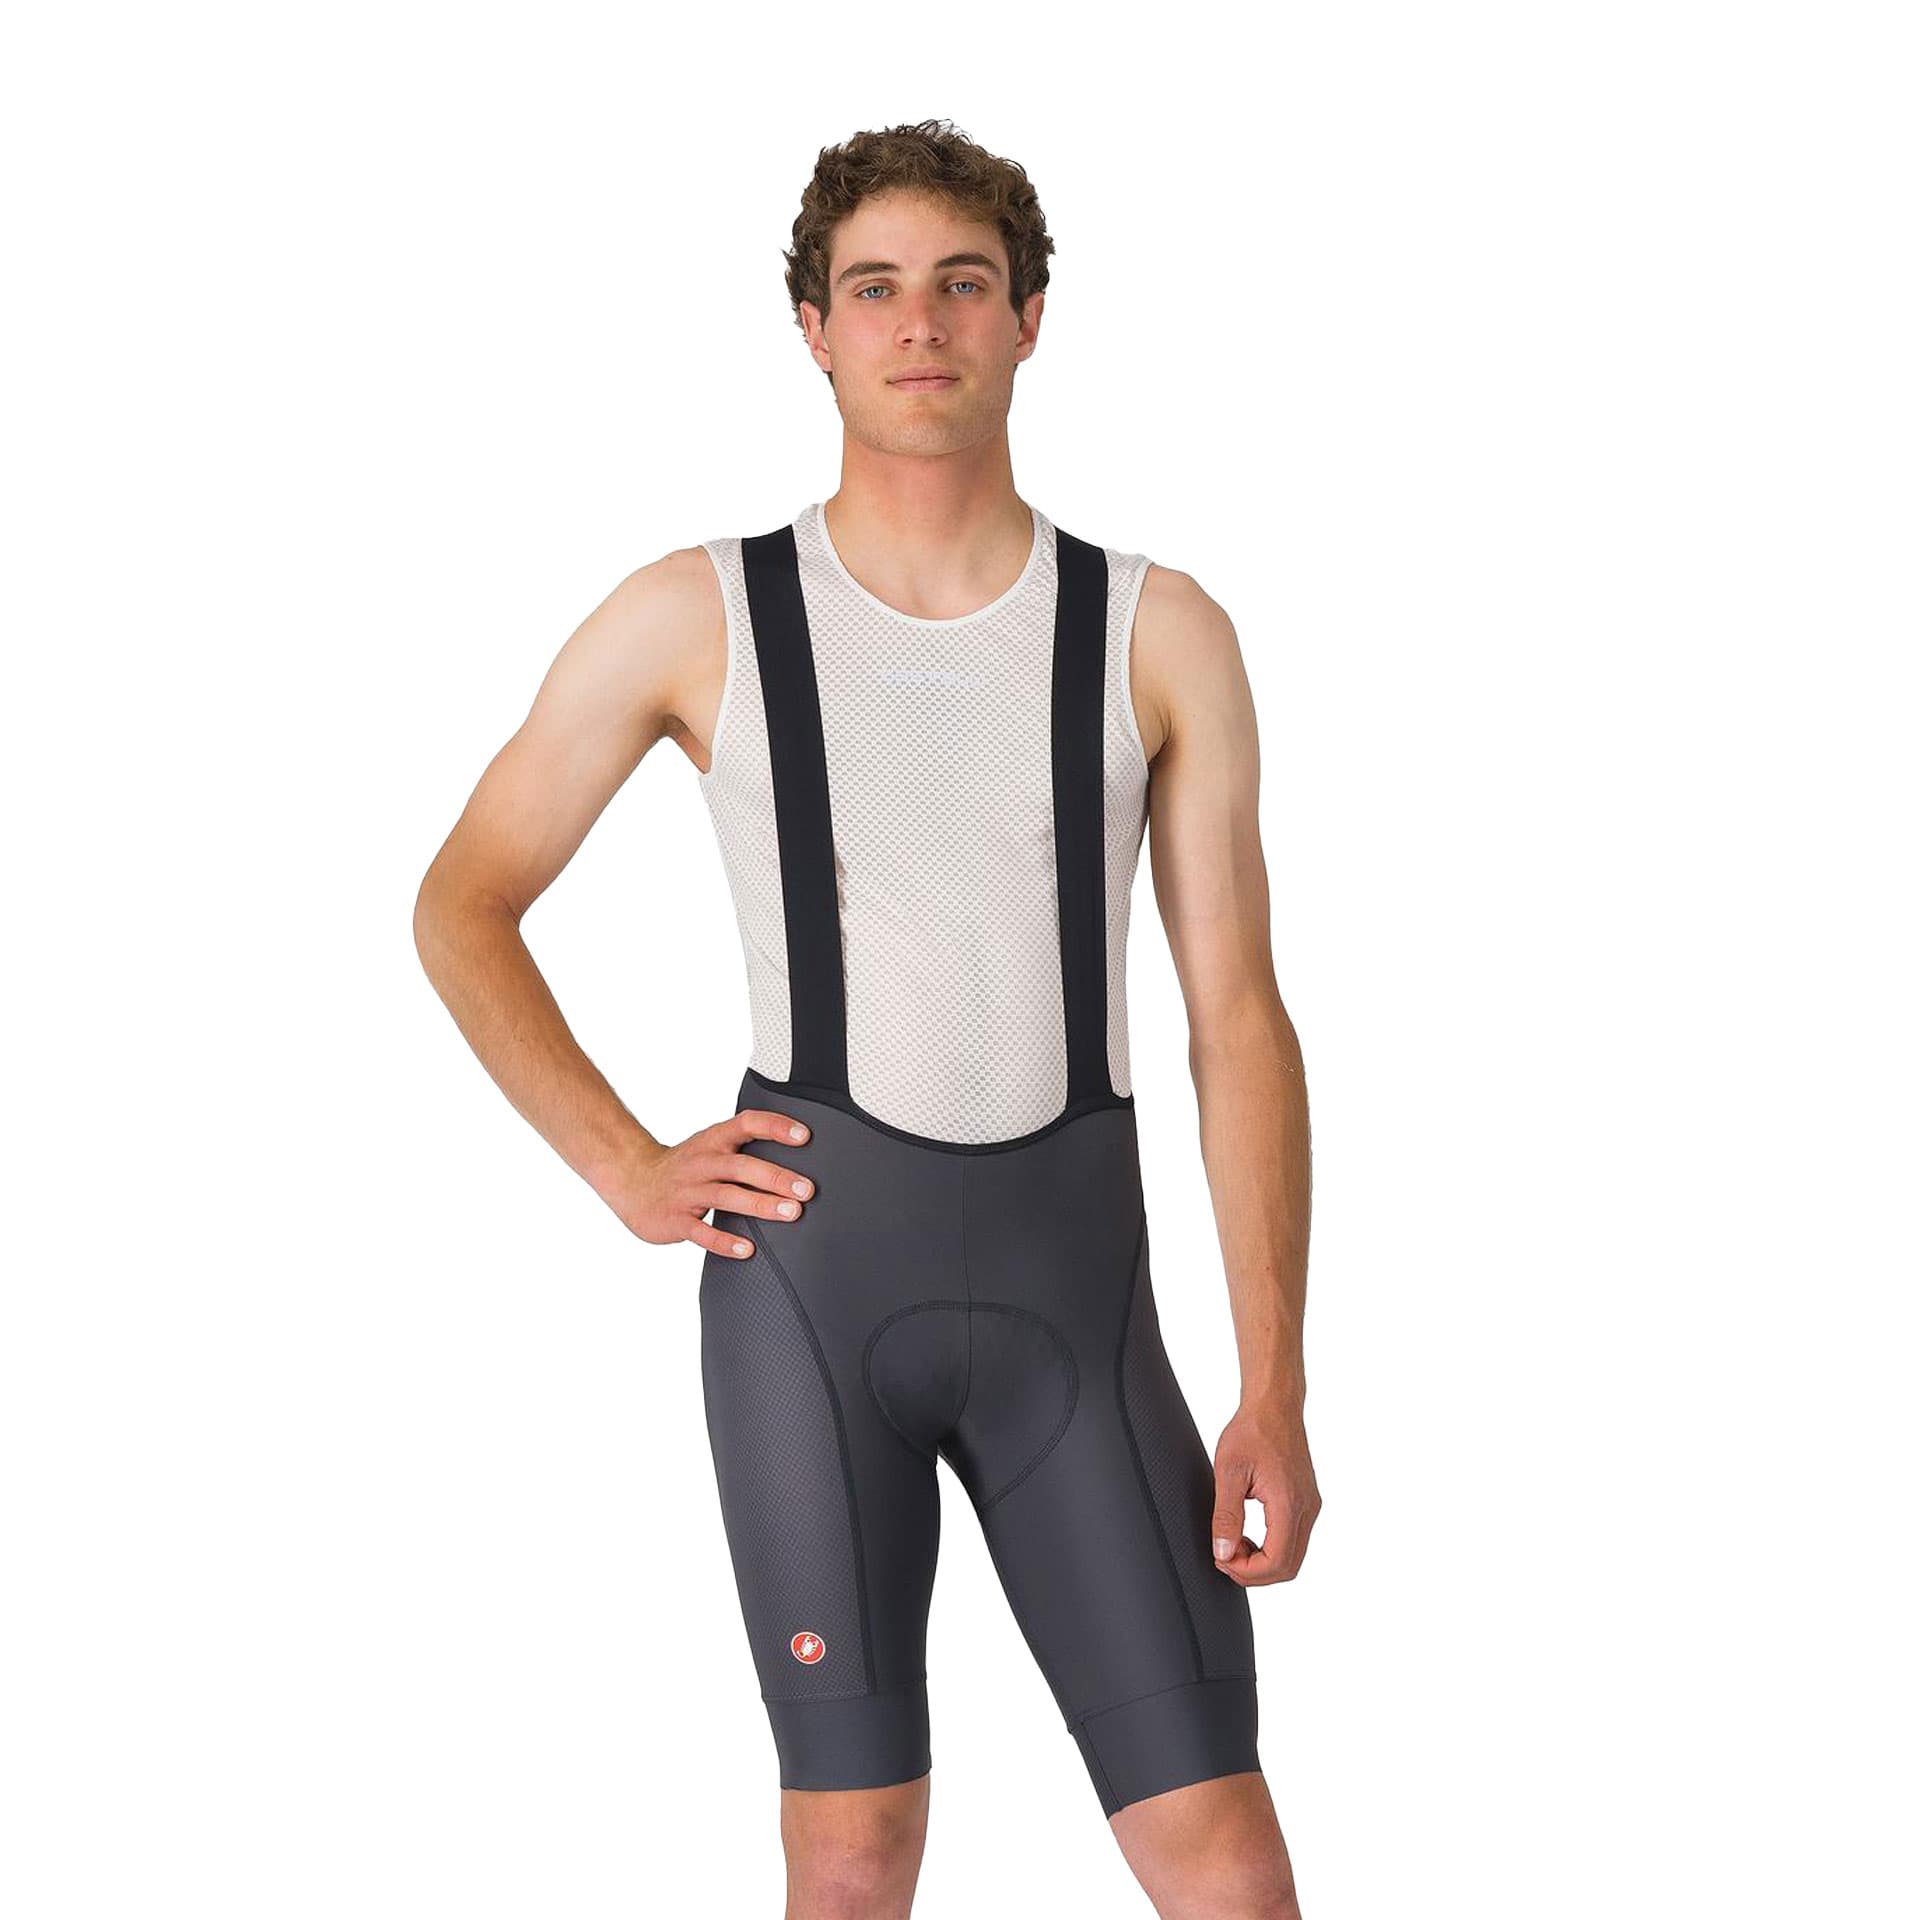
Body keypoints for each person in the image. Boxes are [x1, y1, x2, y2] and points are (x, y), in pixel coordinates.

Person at [414, 118, 1320, 1920]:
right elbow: (465, 899)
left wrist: (1275, 1383)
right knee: (851, 1850)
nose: (922, 324)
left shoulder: (1157, 631)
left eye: (963, 285)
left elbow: (1237, 1020)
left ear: (1030, 318)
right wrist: (622, 1163)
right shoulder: (698, 615)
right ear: (815, 331)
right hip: (813, 1304)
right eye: (877, 289)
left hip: (1080, 1311)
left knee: (1217, 1844)